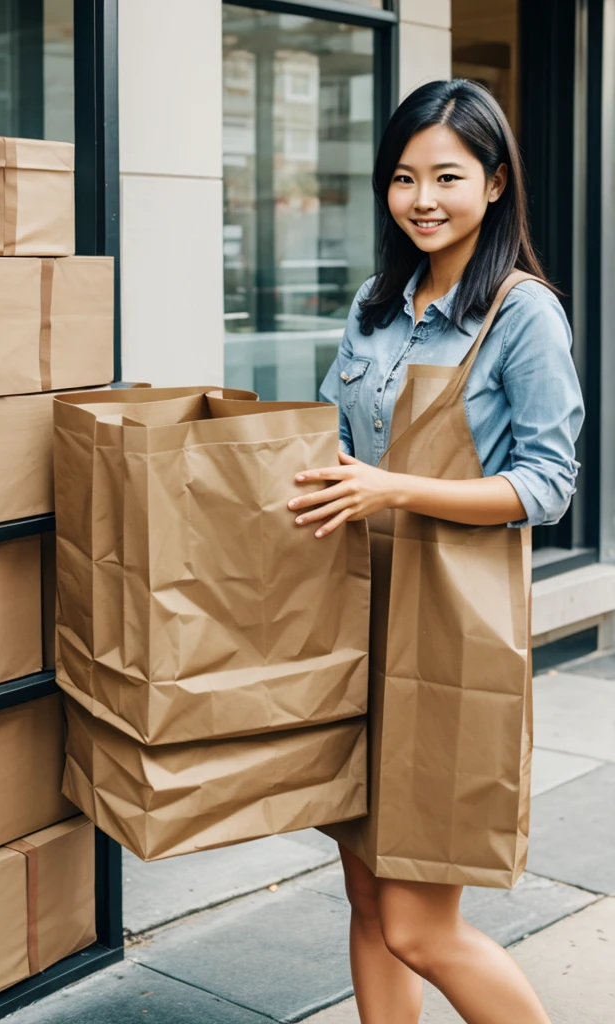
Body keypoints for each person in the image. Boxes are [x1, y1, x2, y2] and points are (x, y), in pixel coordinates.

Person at [287, 79, 584, 1024]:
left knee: (421, 925)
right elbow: (333, 442)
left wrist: (394, 487)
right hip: (353, 619)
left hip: (449, 639)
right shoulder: (376, 306)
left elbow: (547, 484)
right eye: (404, 177)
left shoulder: (523, 313)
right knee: (368, 899)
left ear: (494, 184)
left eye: (447, 176)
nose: (423, 198)